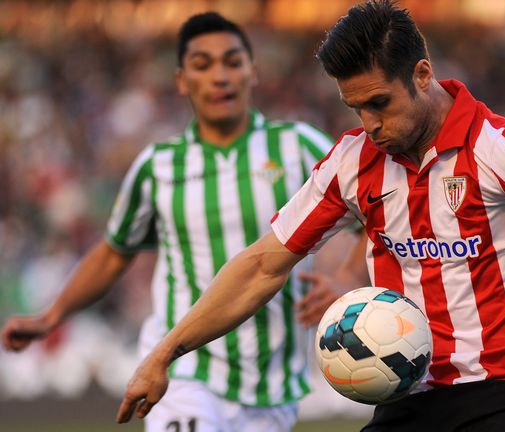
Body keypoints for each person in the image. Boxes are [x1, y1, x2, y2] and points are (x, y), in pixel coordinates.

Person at [115, 2, 505, 431]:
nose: (368, 123)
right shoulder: (351, 162)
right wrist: (163, 353)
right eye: (354, 107)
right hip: (408, 401)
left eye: (379, 104)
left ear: (421, 74)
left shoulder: (498, 147)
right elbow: (263, 264)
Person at [0, 12, 343, 432]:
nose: (220, 76)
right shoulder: (158, 166)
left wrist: (345, 280)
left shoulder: (299, 146)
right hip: (184, 370)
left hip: (271, 385)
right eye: (203, 65)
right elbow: (113, 253)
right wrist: (51, 316)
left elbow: (370, 210)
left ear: (252, 72)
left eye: (232, 62)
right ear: (182, 80)